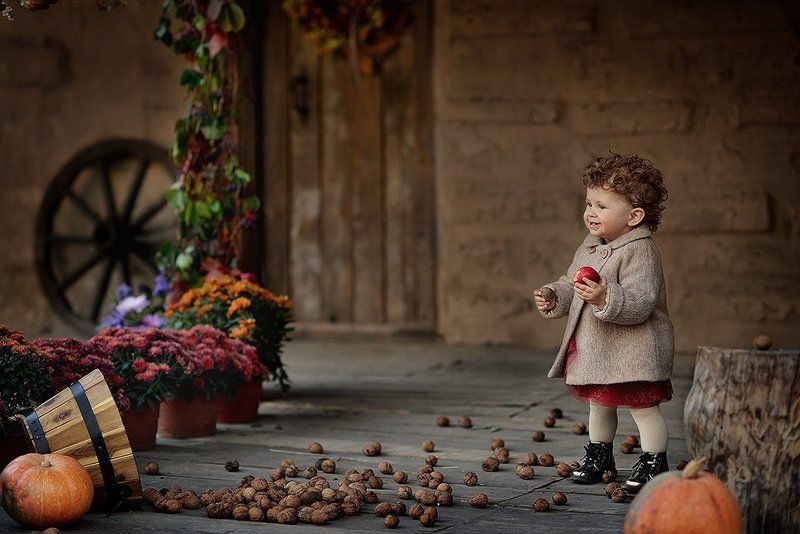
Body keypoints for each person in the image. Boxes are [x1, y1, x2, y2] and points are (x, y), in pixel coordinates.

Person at [534, 152, 674, 494]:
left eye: (601, 206)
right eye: (588, 203)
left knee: (643, 407)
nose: (590, 213)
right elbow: (573, 284)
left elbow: (641, 300)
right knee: (601, 402)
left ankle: (655, 460)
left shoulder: (640, 250)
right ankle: (600, 455)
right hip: (599, 350)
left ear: (634, 216)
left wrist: (604, 297)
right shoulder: (590, 247)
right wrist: (556, 294)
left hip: (635, 350)